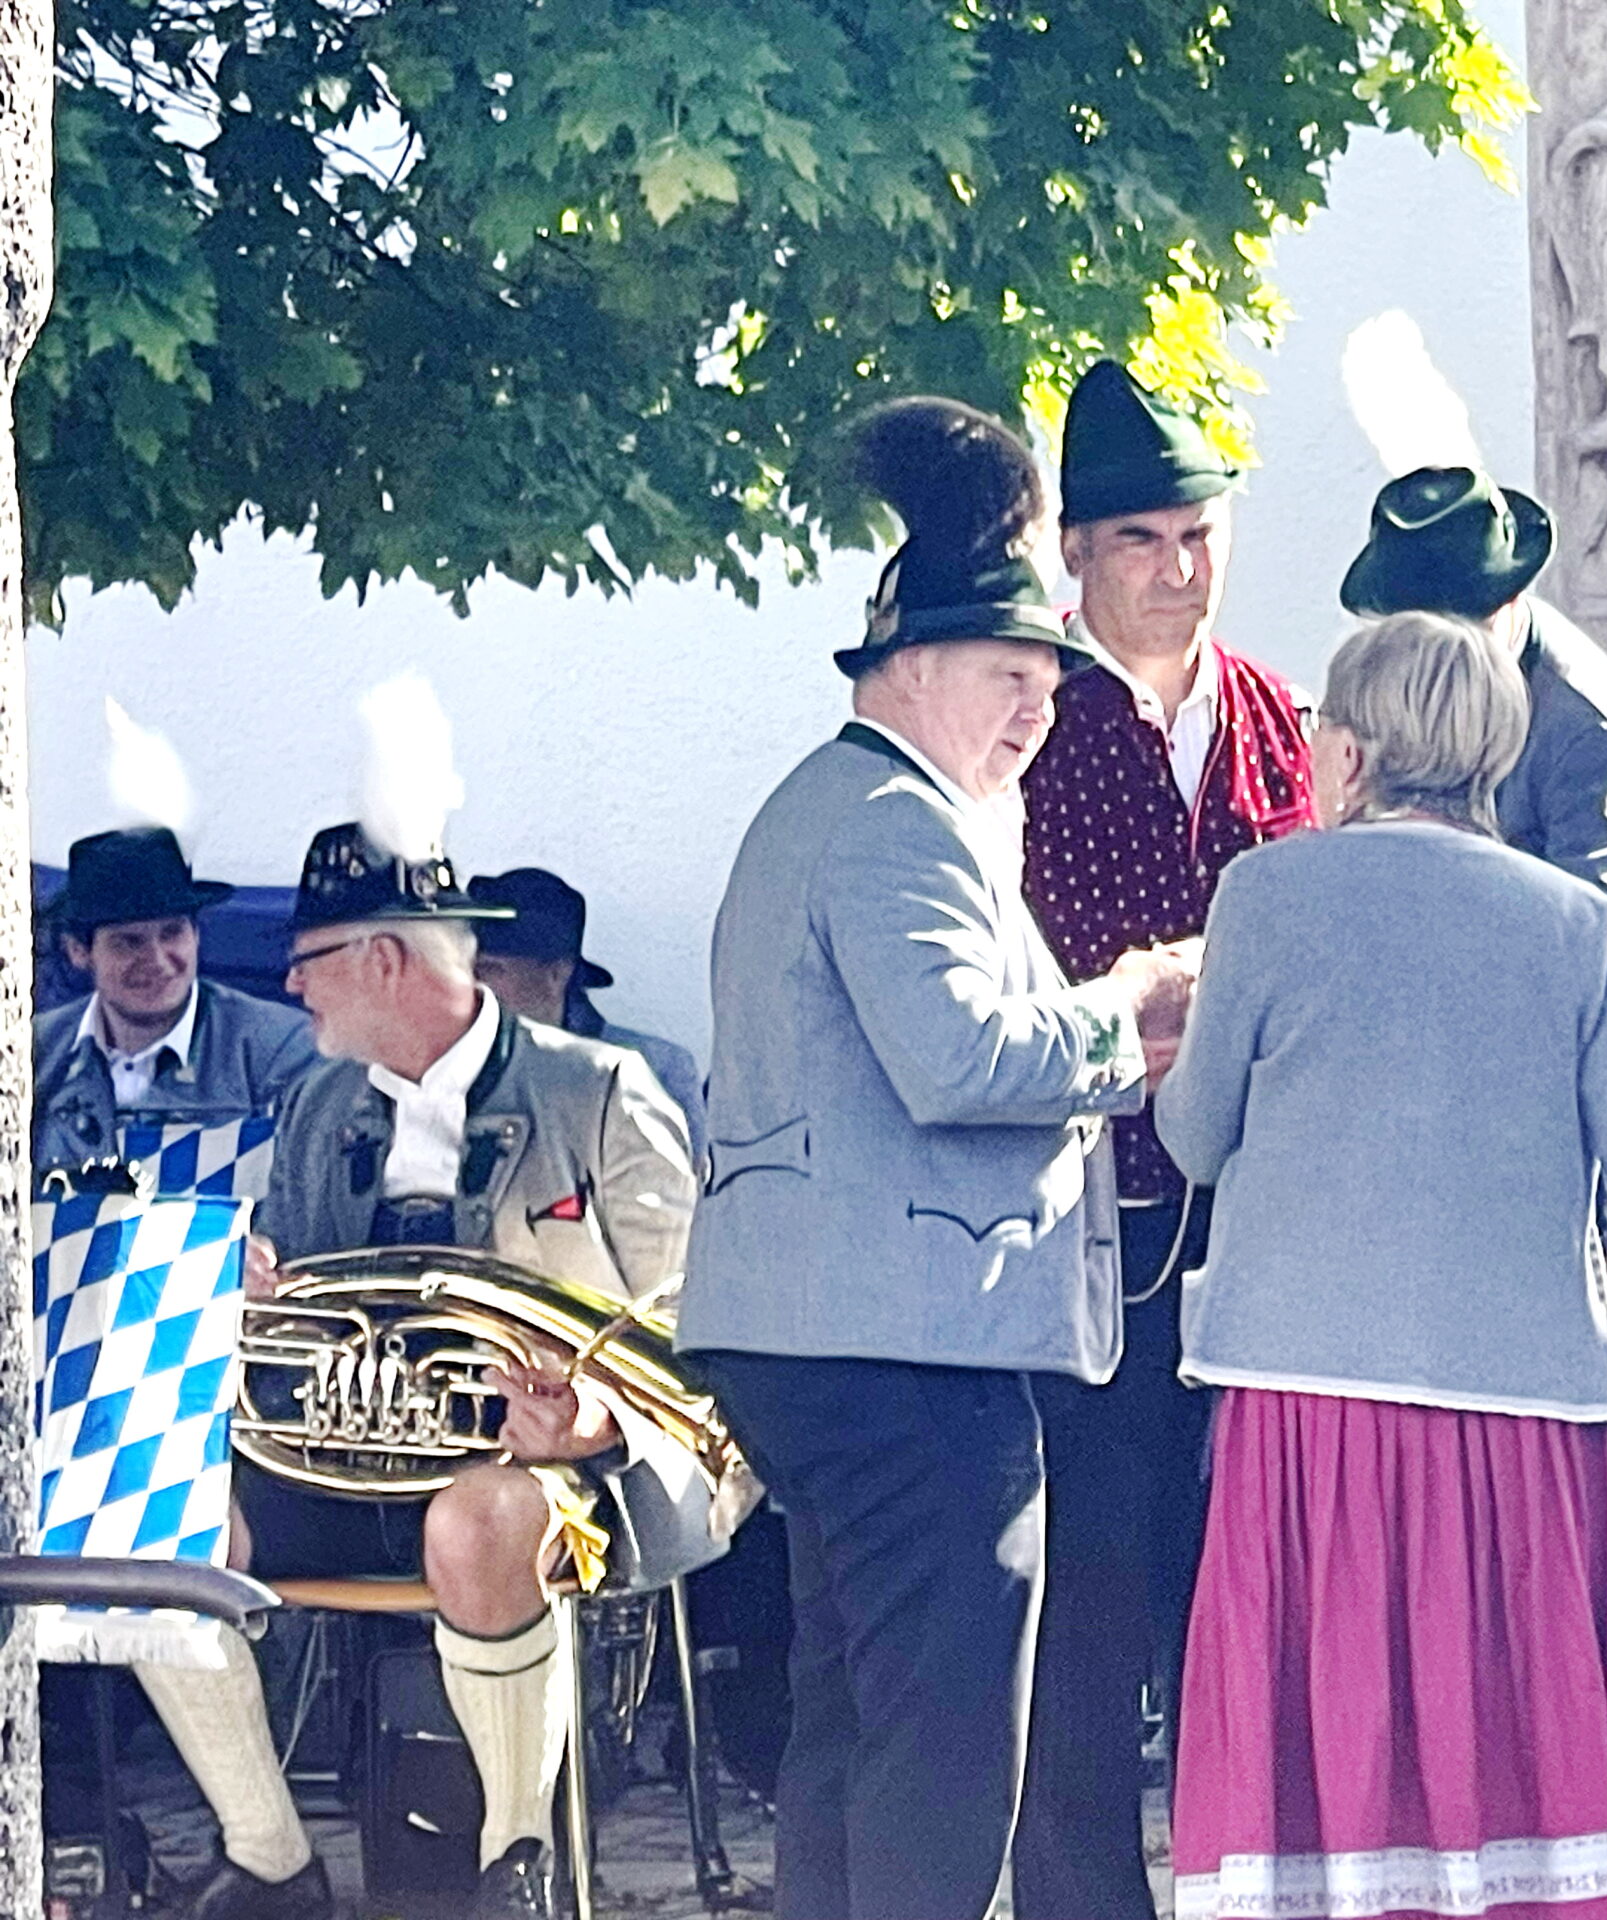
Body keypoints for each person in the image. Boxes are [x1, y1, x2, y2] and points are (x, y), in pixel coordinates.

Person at [675, 395, 1193, 1920]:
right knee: (946, 1745)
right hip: (904, 1346)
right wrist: (1127, 1014)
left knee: (859, 1725)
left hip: (838, 1336)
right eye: (1008, 675)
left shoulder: (862, 806)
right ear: (904, 669)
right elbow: (959, 1058)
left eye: (1049, 680)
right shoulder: (895, 822)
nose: (1038, 708)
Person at [1156, 611, 1607, 1920]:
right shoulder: (1581, 926)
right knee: (1514, 1781)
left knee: (1326, 1784)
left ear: (1348, 753)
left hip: (1306, 1419)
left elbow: (1194, 1139)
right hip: (1530, 1428)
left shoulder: (1266, 895)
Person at [130, 755, 702, 1920]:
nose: (292, 986)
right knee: (150, 1524)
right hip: (339, 1463)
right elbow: (292, 1300)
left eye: (308, 960)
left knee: (476, 1517)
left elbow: (690, 1313)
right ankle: (272, 1858)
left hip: (556, 1474)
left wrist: (589, 1418)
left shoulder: (602, 1088)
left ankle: (515, 1861)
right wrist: (252, 1291)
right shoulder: (320, 1103)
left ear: (382, 959)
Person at [1011, 357, 1319, 1920]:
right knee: (1087, 1607)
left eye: (1199, 534)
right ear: (1077, 553)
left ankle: (1237, 1895)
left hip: (1262, 1228)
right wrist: (1159, 998)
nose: (1177, 567)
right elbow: (1018, 971)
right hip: (1092, 1229)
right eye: (1141, 538)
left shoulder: (1278, 717)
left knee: (1243, 1602)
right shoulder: (1028, 719)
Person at [1339, 464, 1607, 988]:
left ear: (1510, 595)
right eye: (1416, 638)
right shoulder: (1373, 686)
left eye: (1464, 627)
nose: (1440, 662)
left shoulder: (1588, 728)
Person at [34, 826, 318, 1175]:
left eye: (172, 933)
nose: (157, 960)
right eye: (130, 942)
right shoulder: (30, 1054)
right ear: (79, 951)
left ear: (196, 934)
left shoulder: (282, 1051)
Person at [465, 865, 708, 1154]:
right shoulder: (449, 1068)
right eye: (466, 967)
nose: (472, 982)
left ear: (557, 974)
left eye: (491, 968)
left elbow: (681, 1178)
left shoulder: (659, 1069)